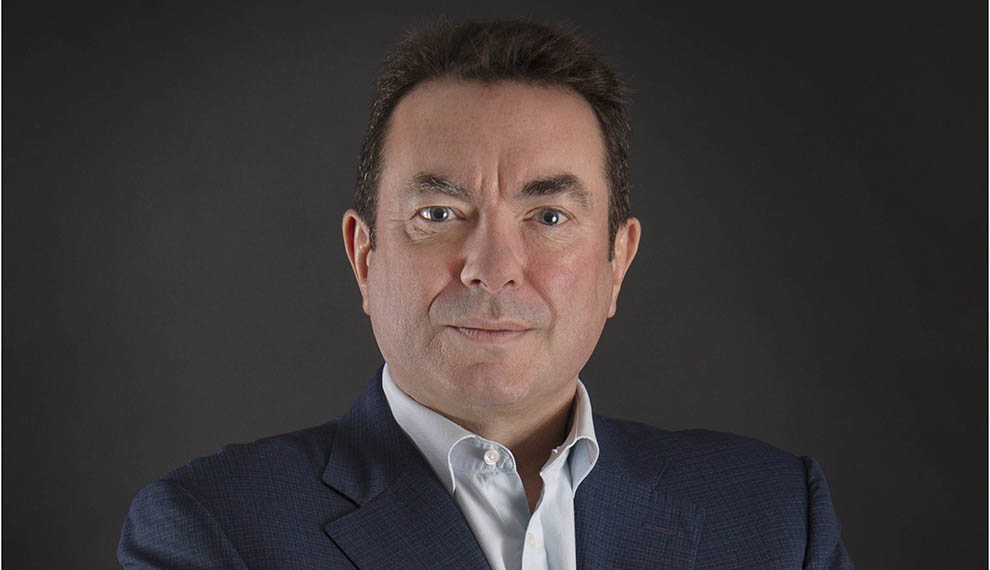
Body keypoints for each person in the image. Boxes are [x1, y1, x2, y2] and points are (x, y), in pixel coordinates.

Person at [118, 19, 854, 570]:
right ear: (364, 257)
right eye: (439, 214)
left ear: (618, 262)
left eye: (549, 217)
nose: (493, 268)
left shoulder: (773, 515)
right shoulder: (215, 531)